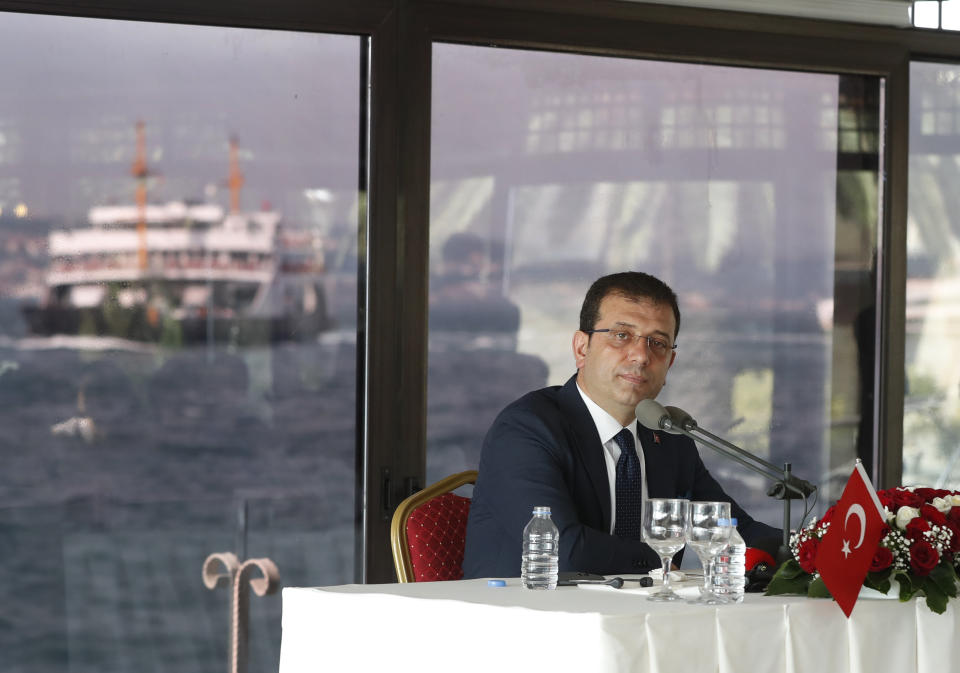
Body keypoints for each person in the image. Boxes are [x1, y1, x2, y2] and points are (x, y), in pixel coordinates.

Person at [462, 271, 781, 578]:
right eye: (621, 335)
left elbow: (735, 530)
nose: (641, 356)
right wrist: (662, 558)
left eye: (657, 343)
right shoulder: (527, 428)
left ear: (669, 363)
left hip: (640, 620)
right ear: (582, 348)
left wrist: (813, 547)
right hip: (526, 619)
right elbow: (565, 550)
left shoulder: (669, 436)